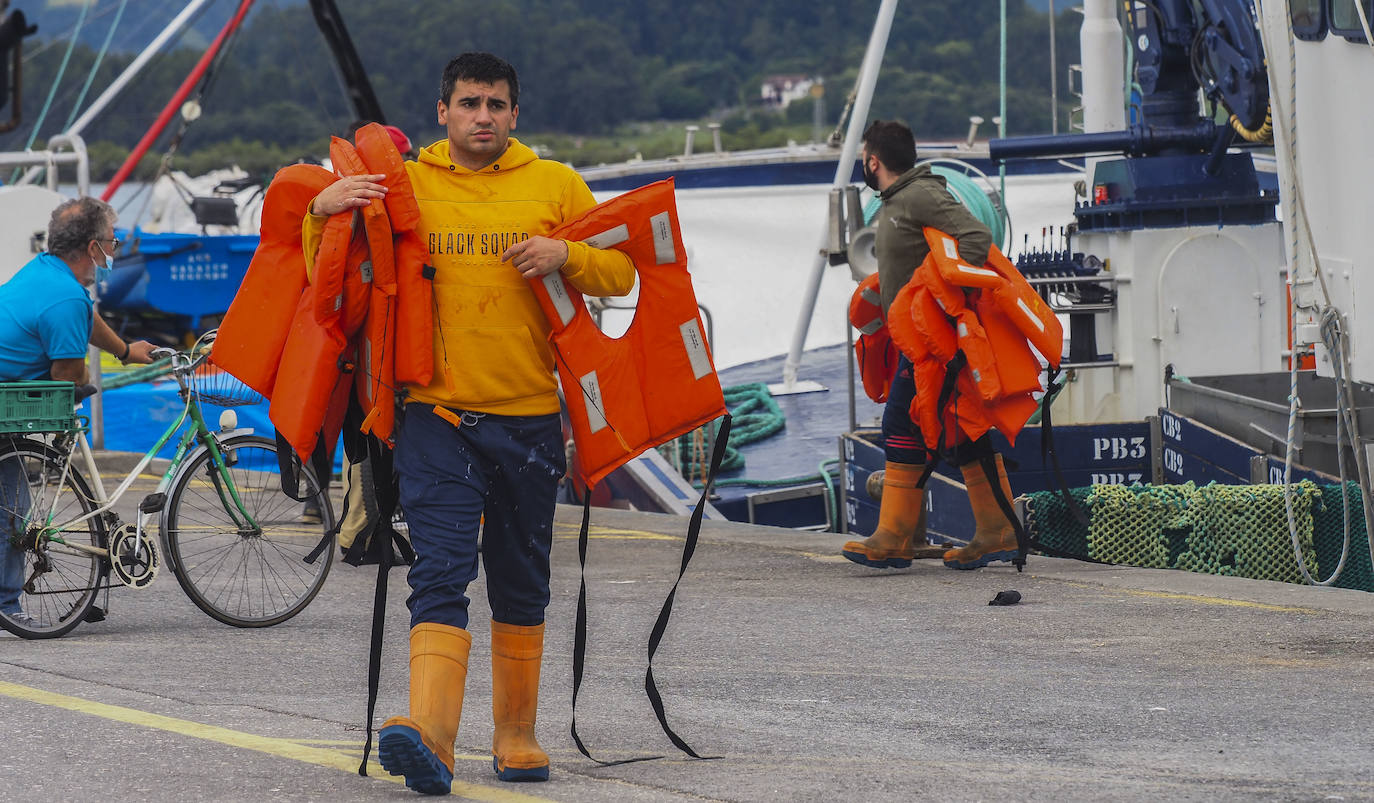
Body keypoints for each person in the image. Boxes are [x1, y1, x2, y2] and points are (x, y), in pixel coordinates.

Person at [307, 52, 633, 792]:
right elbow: (327, 272)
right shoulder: (405, 184)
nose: (481, 115)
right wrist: (320, 210)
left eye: (495, 104)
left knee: (522, 583)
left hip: (529, 419)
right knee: (440, 570)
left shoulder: (554, 185)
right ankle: (433, 739)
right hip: (436, 416)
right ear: (442, 112)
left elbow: (623, 271)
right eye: (468, 103)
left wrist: (567, 251)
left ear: (515, 114)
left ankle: (516, 736)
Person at [839, 120, 1021, 572]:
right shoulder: (896, 202)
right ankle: (996, 532)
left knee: (900, 418)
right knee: (960, 432)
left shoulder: (921, 194)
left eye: (865, 156)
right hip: (914, 341)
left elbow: (976, 237)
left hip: (934, 345)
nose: (864, 162)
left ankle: (894, 537)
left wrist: (945, 299)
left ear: (873, 161)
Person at [0, 197, 156, 625]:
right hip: (6, 404)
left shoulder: (46, 273)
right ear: (93, 248)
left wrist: (125, 351)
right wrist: (83, 380)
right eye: (112, 241)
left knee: (12, 500)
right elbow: (67, 377)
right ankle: (7, 606)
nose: (115, 248)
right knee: (12, 509)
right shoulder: (66, 298)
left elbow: (86, 316)